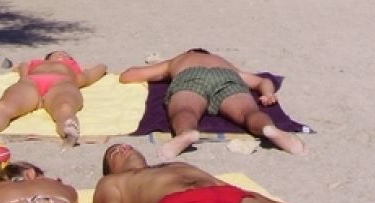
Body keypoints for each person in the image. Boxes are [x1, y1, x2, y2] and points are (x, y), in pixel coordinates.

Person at [118, 49, 305, 160]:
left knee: (185, 110)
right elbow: (261, 81)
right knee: (248, 112)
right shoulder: (224, 63)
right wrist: (268, 94)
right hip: (226, 77)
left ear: (191, 52)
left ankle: (186, 133)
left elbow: (129, 75)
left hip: (192, 75)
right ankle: (269, 129)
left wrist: (166, 69)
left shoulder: (179, 60)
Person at [95, 143, 318, 203]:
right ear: (111, 168)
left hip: (231, 197)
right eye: (115, 151)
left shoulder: (176, 164)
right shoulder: (112, 182)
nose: (124, 148)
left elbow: (236, 188)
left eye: (126, 145)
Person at [0, 51, 108, 146]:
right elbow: (16, 67)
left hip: (61, 82)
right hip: (31, 81)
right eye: (55, 53)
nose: (61, 54)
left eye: (65, 55)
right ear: (46, 58)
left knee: (65, 107)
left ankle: (68, 131)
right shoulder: (32, 65)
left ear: (72, 61)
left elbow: (93, 72)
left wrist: (102, 66)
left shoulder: (74, 70)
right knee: (5, 106)